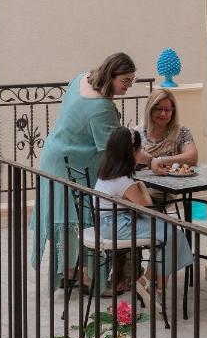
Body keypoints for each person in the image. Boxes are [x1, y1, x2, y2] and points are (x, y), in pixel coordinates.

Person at [31, 52, 162, 290]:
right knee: (80, 219)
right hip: (70, 164)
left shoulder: (81, 78)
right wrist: (151, 161)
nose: (128, 87)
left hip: (54, 156)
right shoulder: (102, 108)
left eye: (132, 81)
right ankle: (85, 275)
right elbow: (117, 150)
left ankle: (70, 272)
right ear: (111, 75)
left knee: (70, 219)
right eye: (125, 81)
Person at [94, 127, 193, 313]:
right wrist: (142, 187)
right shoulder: (124, 181)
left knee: (170, 232)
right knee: (172, 234)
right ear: (130, 152)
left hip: (112, 222)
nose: (141, 153)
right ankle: (155, 287)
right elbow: (149, 209)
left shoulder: (108, 172)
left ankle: (148, 280)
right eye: (138, 150)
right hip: (116, 225)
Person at [134, 88, 198, 167]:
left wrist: (159, 161)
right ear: (150, 109)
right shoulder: (136, 133)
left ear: (173, 112)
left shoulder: (181, 131)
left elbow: (193, 158)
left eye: (167, 110)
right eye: (158, 109)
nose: (163, 114)